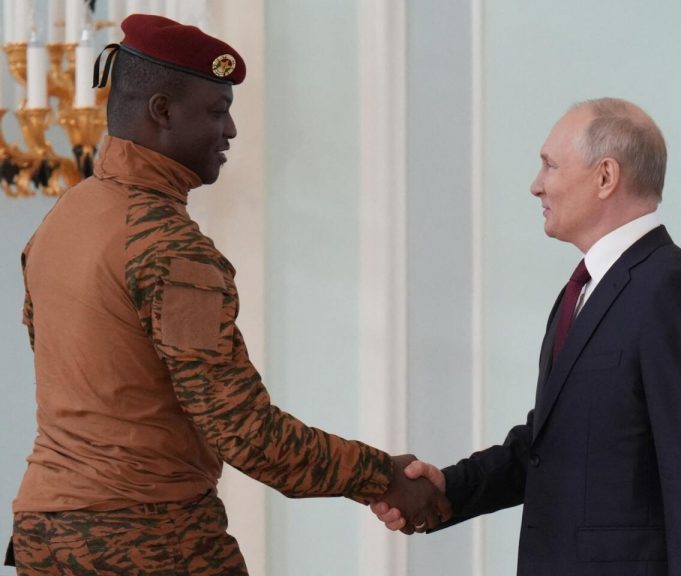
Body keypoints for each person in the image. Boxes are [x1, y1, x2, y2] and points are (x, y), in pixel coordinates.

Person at [5, 14, 448, 575]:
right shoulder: (170, 248)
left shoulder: (63, 217)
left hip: (43, 535)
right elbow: (246, 433)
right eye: (217, 111)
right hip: (146, 537)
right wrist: (381, 475)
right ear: (162, 111)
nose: (231, 130)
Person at [372, 98, 681, 575]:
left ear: (605, 176)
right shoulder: (582, 291)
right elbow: (550, 444)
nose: (536, 185)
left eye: (550, 165)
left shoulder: (672, 289)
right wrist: (449, 487)